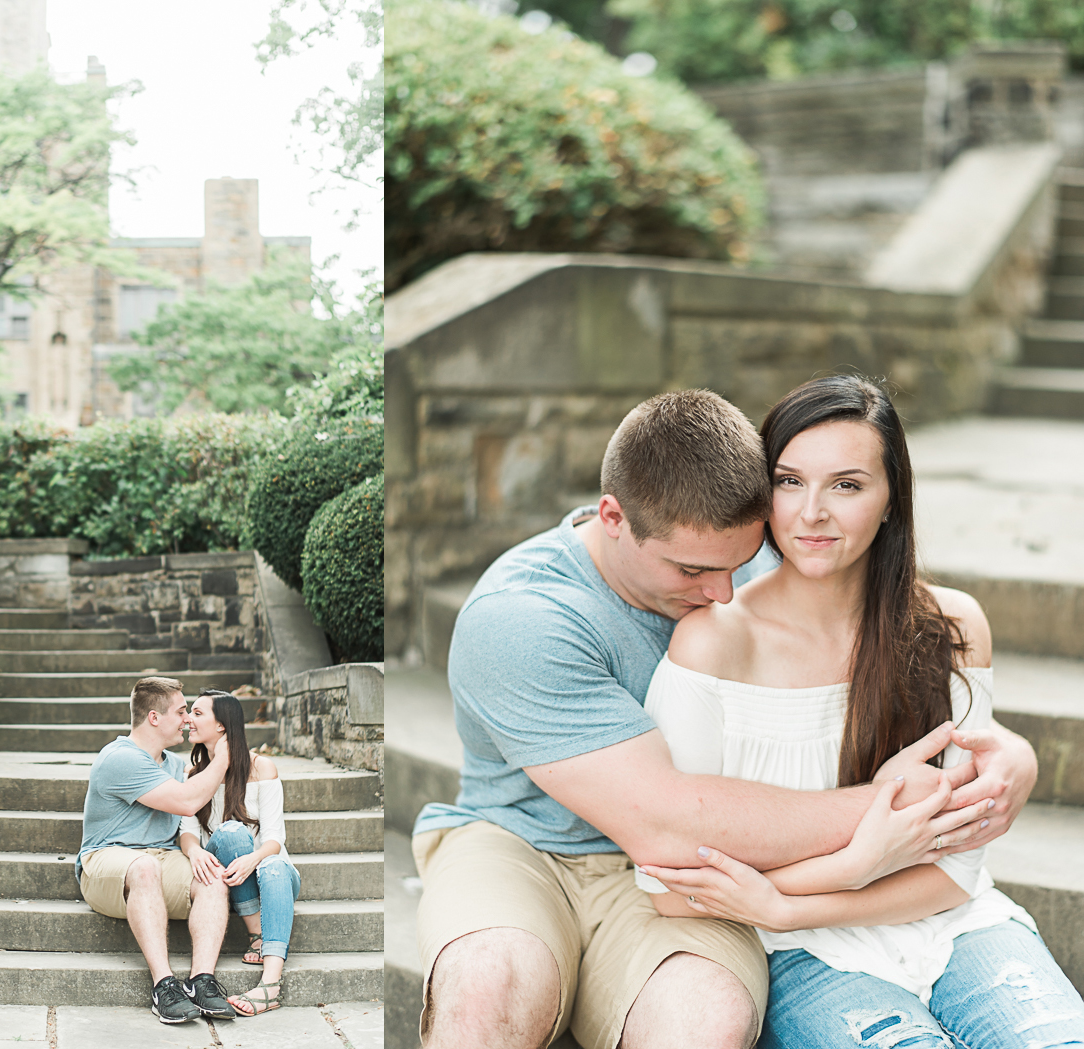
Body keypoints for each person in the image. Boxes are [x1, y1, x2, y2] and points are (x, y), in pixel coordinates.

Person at [411, 388, 1041, 1049]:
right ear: (613, 516)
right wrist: (913, 806)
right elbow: (670, 825)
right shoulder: (521, 619)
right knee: (485, 987)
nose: (723, 595)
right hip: (528, 845)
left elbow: (889, 652)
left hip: (685, 882)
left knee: (705, 1017)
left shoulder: (747, 543)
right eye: (693, 569)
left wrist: (1006, 758)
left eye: (739, 565)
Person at [634, 376, 1084, 1048]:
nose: (811, 512)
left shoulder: (950, 626)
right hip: (799, 953)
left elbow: (955, 869)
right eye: (789, 481)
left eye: (846, 484)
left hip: (954, 924)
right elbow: (670, 883)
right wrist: (821, 890)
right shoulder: (714, 643)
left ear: (890, 501)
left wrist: (784, 896)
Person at [76, 675, 237, 1025]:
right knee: (145, 866)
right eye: (181, 711)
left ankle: (201, 982)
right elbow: (187, 801)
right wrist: (223, 757)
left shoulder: (174, 765)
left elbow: (187, 819)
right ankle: (164, 986)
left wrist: (193, 850)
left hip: (163, 860)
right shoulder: (120, 758)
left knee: (213, 878)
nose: (187, 719)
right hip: (107, 860)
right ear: (154, 717)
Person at [179, 689, 301, 1016]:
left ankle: (270, 984)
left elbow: (274, 839)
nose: (188, 719)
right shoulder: (193, 776)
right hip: (228, 873)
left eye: (197, 713)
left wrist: (254, 858)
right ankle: (256, 933)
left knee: (274, 864)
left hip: (265, 872)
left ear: (221, 726)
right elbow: (187, 835)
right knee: (232, 832)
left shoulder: (263, 768)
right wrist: (194, 854)